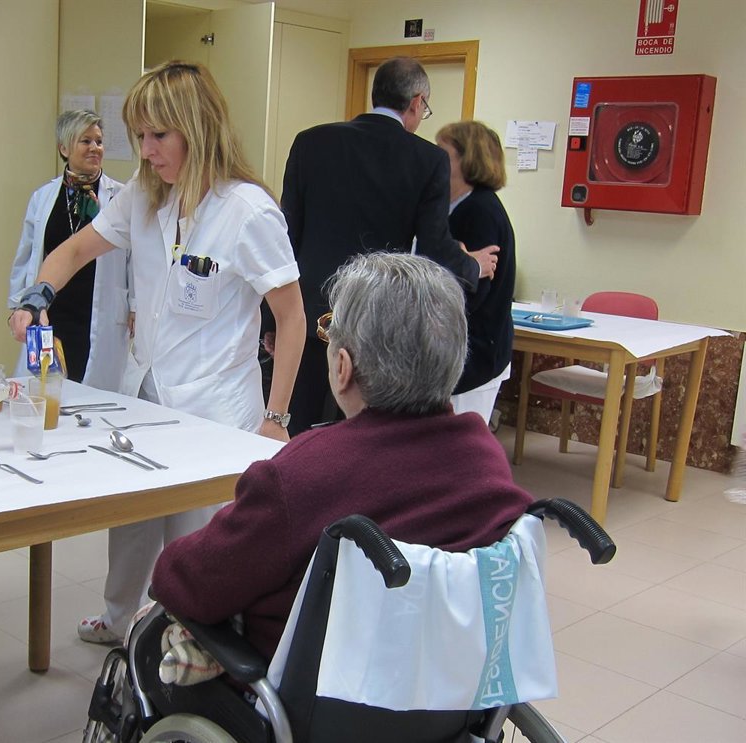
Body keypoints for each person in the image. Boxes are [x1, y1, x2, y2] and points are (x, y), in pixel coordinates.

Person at [9, 61, 305, 643]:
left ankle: (186, 647)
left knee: (197, 543)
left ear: (196, 127)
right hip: (147, 396)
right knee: (133, 519)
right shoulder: (142, 200)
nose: (145, 151)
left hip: (216, 407)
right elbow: (72, 252)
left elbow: (292, 317)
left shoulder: (247, 211)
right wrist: (37, 295)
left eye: (158, 135)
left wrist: (276, 418)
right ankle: (119, 618)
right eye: (139, 135)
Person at [152, 253, 533, 659]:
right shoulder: (485, 460)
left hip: (314, 684)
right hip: (442, 683)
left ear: (343, 367)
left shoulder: (303, 473)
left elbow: (186, 580)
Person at [278, 56, 500, 436]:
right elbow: (434, 250)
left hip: (306, 311)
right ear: (416, 103)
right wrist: (474, 265)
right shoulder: (427, 160)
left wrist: (275, 321)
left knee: (297, 421)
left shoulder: (311, 142)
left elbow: (286, 238)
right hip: (372, 315)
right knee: (362, 429)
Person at [7, 110, 128, 386]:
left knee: (93, 388)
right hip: (51, 305)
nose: (95, 148)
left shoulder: (119, 198)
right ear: (64, 148)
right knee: (45, 385)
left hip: (96, 305)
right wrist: (19, 303)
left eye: (99, 141)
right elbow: (26, 255)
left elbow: (133, 258)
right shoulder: (43, 197)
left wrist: (134, 305)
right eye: (85, 141)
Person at [437, 121, 517, 423]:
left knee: (458, 439)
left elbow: (473, 290)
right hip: (457, 347)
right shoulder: (452, 206)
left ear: (467, 159)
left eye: (443, 153)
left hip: (475, 350)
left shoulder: (480, 211)